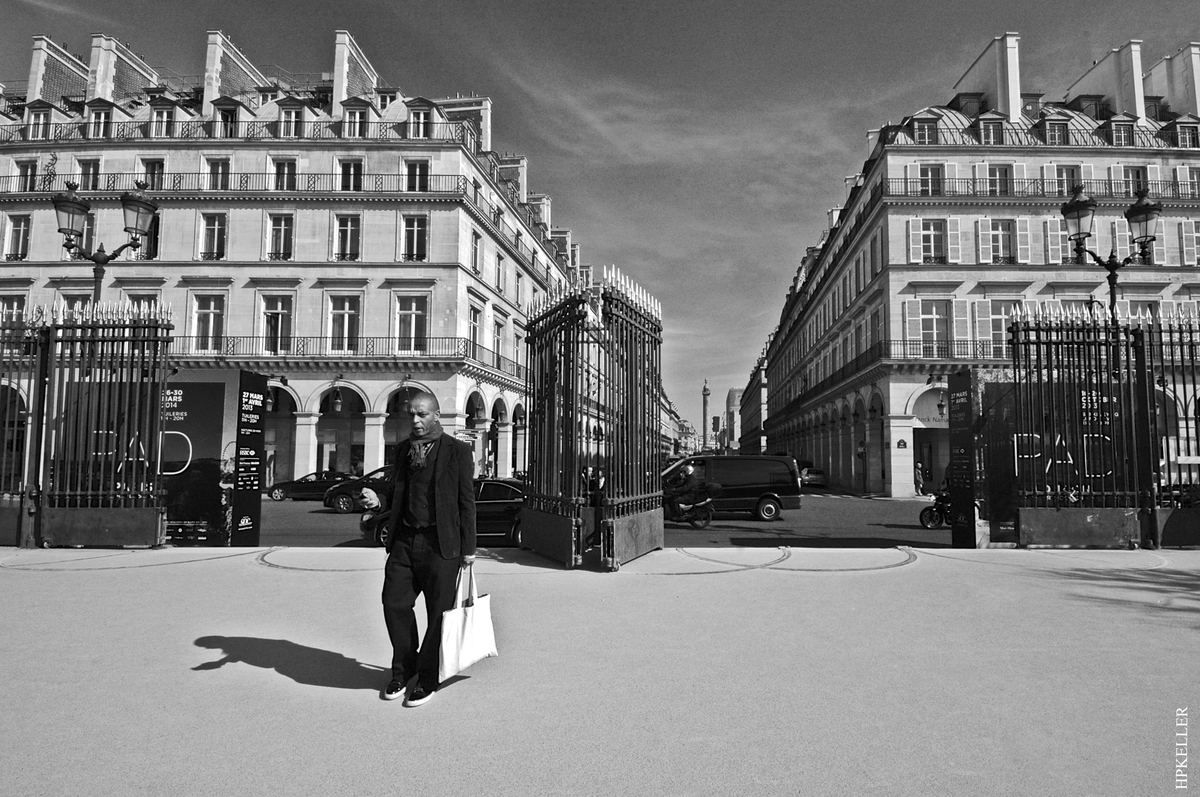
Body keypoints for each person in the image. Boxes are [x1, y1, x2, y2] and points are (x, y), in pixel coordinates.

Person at [381, 391, 476, 707]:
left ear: (437, 415)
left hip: (441, 545)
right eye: (411, 414)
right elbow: (398, 491)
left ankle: (427, 677)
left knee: (438, 614)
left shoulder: (457, 451)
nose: (415, 420)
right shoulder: (403, 450)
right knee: (394, 603)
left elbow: (466, 502)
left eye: (422, 414)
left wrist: (469, 549)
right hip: (405, 542)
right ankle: (404, 668)